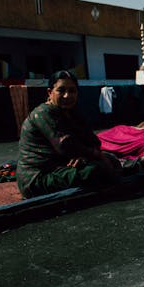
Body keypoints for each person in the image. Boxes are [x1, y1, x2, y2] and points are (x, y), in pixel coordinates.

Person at [17, 70, 120, 198]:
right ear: (50, 92)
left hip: (61, 167)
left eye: (72, 91)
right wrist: (93, 154)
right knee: (97, 169)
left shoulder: (73, 113)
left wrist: (84, 157)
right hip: (38, 178)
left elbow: (93, 141)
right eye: (61, 90)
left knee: (112, 160)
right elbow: (64, 145)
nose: (67, 96)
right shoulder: (43, 113)